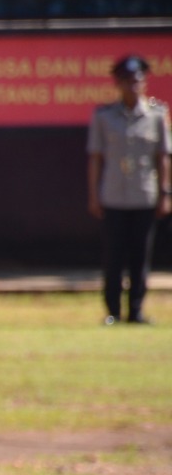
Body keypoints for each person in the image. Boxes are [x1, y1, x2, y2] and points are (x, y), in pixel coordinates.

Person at [87, 53, 171, 325]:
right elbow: (95, 158)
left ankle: (136, 310)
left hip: (144, 195)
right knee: (113, 256)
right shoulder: (104, 116)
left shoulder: (157, 115)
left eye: (137, 80)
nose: (133, 85)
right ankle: (112, 311)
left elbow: (163, 157)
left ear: (144, 82)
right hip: (113, 196)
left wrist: (165, 193)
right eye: (127, 81)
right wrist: (94, 195)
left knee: (140, 256)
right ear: (118, 83)